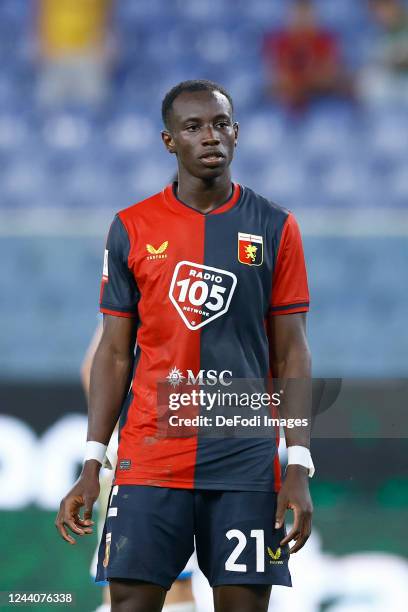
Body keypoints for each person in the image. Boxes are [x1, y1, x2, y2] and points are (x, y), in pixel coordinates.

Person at [56, 79, 314, 612]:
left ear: (237, 134)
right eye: (193, 127)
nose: (210, 136)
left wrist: (298, 463)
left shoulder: (275, 227)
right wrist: (91, 462)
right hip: (151, 457)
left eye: (220, 124)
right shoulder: (131, 227)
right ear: (169, 141)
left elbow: (291, 352)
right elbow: (112, 353)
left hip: (244, 459)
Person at [81, 322, 197, 612]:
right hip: (155, 459)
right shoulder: (144, 285)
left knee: (128, 579)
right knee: (160, 580)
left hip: (157, 451)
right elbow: (98, 364)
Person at [262, 0, 351, 111]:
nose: (302, 21)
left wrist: (303, 81)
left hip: (321, 99)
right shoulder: (279, 43)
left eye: (306, 15)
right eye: (298, 15)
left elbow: (330, 76)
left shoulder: (325, 40)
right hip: (288, 102)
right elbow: (277, 80)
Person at [359, 0, 408, 105]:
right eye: (377, 11)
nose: (382, 14)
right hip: (392, 89)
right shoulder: (374, 35)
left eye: (385, 7)